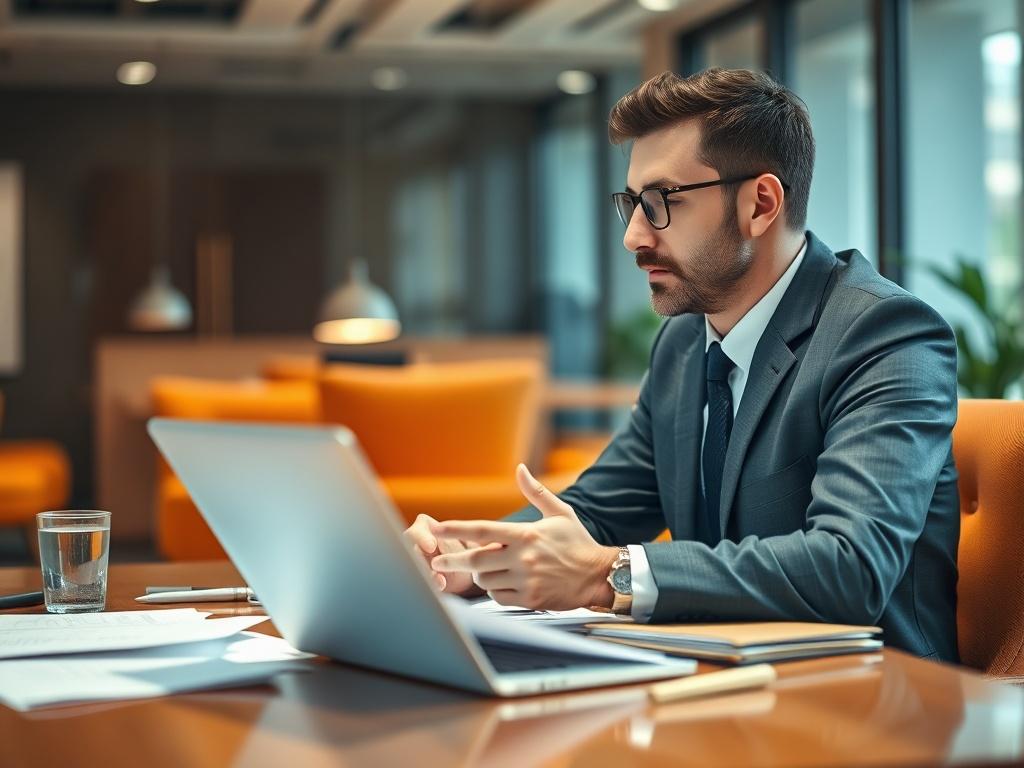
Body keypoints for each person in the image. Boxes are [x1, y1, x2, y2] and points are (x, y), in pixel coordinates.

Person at [404, 68, 960, 662]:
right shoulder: (685, 344)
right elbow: (597, 509)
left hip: (867, 709)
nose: (634, 237)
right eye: (632, 204)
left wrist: (606, 575)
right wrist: (468, 553)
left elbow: (851, 567)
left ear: (760, 204)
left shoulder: (885, 335)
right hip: (719, 686)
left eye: (661, 202)